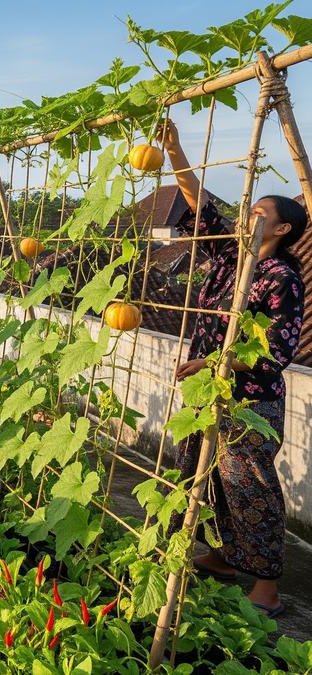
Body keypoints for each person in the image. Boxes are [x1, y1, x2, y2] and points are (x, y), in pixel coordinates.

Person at [161, 120, 306, 619]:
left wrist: (213, 361)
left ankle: (267, 587)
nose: (248, 216)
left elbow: (275, 352)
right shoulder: (229, 257)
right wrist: (176, 151)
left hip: (249, 400)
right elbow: (199, 202)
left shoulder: (281, 277)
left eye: (259, 213)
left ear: (282, 229)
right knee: (206, 477)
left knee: (250, 487)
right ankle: (225, 559)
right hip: (207, 393)